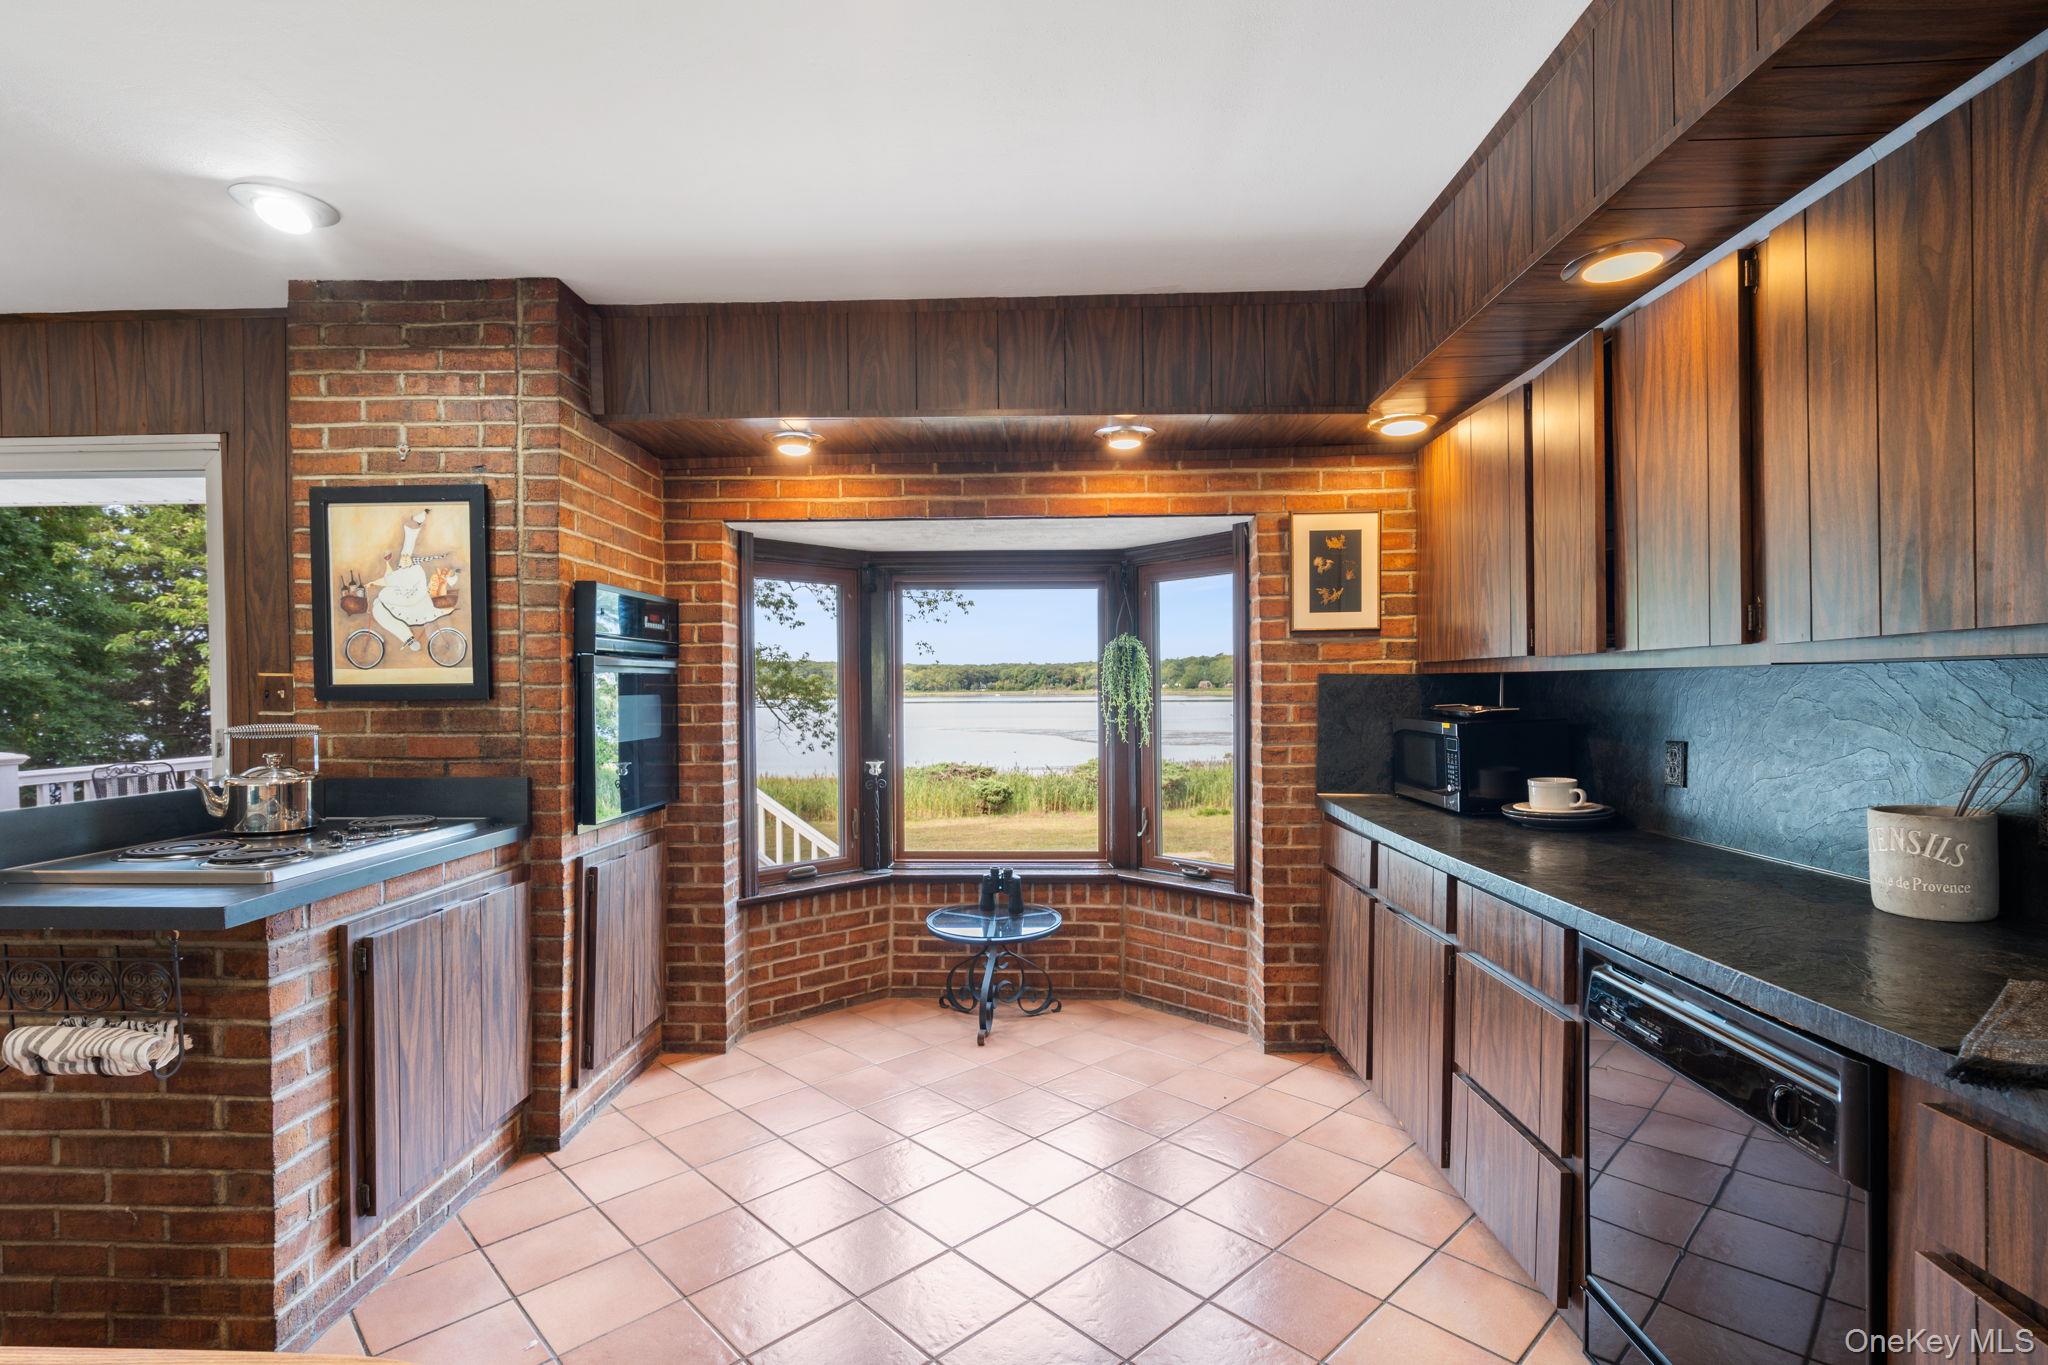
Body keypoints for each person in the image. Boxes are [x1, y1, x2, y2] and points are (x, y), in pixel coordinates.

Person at [367, 509, 456, 651]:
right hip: (412, 599)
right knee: (379, 604)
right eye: (403, 558)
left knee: (380, 603)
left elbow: (390, 579)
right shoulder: (409, 568)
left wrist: (374, 582)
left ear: (411, 560)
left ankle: (409, 639)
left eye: (406, 558)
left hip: (412, 601)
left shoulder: (413, 570)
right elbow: (393, 577)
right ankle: (408, 638)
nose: (403, 559)